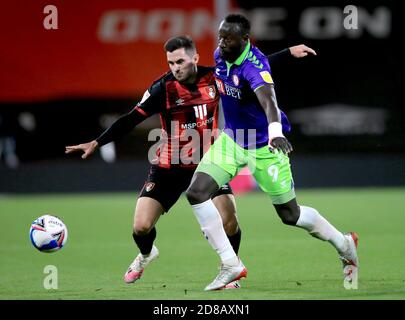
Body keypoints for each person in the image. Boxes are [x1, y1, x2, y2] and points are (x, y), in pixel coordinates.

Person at [65, 35, 316, 289]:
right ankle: (146, 254)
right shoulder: (161, 89)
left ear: (195, 58)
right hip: (169, 167)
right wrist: (97, 142)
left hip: (209, 163)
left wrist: (287, 53)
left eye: (180, 61)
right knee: (141, 227)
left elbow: (250, 70)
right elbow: (130, 119)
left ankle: (230, 266)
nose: (175, 67)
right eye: (171, 62)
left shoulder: (214, 78)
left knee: (230, 219)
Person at [185, 13, 359, 291]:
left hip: (265, 145)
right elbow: (263, 60)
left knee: (290, 215)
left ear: (245, 40)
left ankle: (343, 242)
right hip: (233, 140)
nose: (221, 42)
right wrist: (288, 52)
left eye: (228, 38)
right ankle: (231, 264)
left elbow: (269, 102)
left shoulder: (254, 69)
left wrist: (276, 134)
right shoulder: (222, 53)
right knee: (196, 192)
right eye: (220, 36)